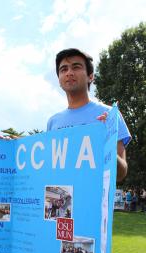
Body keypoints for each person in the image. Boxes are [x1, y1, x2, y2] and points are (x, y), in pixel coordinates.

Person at [47, 48, 131, 182]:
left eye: (76, 67)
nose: (69, 73)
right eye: (64, 69)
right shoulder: (53, 121)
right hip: (61, 201)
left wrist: (103, 140)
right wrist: (15, 145)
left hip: (94, 201)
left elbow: (121, 174)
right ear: (59, 79)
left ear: (90, 76)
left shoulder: (109, 115)